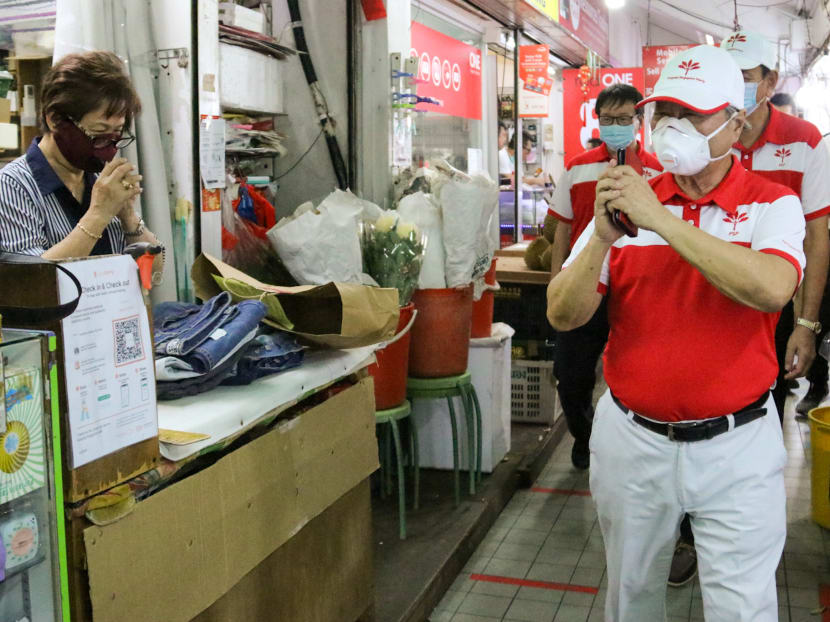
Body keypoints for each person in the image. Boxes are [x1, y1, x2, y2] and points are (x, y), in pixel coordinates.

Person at [547, 44, 804, 621]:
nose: (672, 128)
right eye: (664, 113)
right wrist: (602, 239)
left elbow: (771, 288)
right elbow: (562, 314)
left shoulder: (772, 205)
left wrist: (660, 219)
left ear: (734, 122)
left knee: (742, 609)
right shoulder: (625, 205)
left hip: (737, 446)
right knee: (631, 597)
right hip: (633, 441)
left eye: (692, 115)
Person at [546, 83, 662, 469]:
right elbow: (561, 228)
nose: (615, 126)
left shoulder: (659, 170)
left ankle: (634, 443)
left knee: (638, 369)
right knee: (570, 373)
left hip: (637, 287)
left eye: (624, 119)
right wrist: (555, 282)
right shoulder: (577, 167)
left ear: (639, 121)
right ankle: (585, 435)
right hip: (585, 282)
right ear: (596, 121)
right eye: (608, 119)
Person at [724, 30, 830, 423]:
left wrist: (806, 325)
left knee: (767, 404)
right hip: (716, 290)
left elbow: (816, 237)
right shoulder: (708, 136)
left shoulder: (804, 141)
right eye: (727, 75)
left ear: (770, 82)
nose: (734, 86)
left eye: (744, 76)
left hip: (776, 299)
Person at [0, 50, 162, 269]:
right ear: (55, 119)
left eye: (116, 133)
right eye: (99, 132)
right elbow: (33, 279)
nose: (109, 149)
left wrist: (129, 217)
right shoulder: (13, 185)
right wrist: (98, 215)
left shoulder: (100, 179)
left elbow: (154, 272)